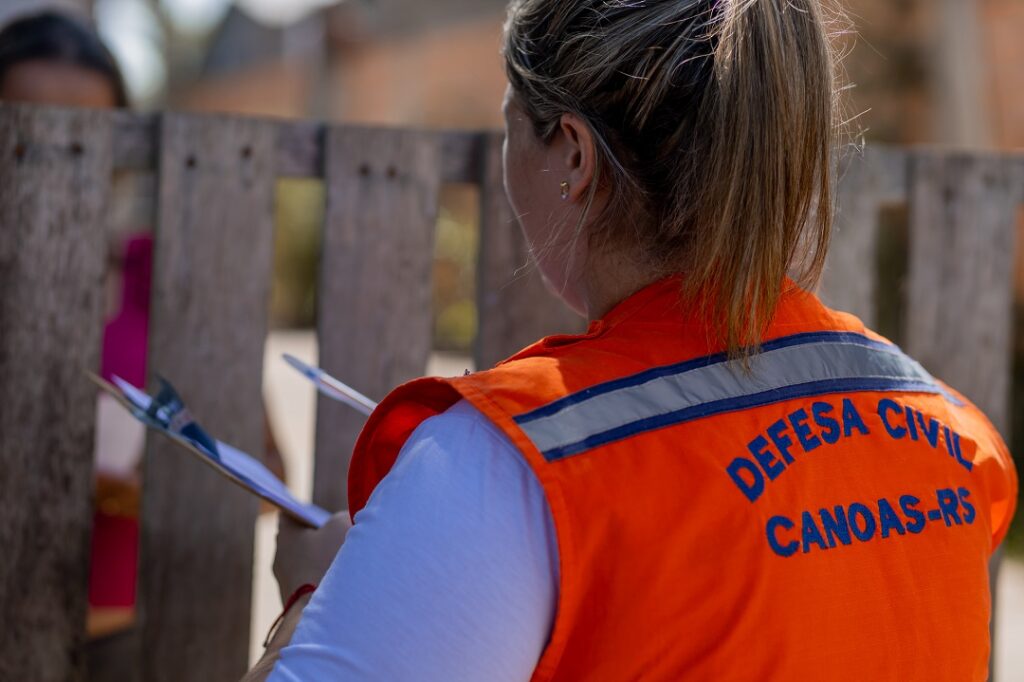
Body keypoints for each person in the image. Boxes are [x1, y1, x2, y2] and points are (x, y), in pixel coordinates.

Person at [248, 0, 1018, 679]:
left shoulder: (500, 467)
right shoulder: (956, 440)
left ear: (574, 156)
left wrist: (314, 603)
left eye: (511, 123)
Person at [0, 10, 287, 637]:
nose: (60, 161)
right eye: (26, 132)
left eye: (88, 138)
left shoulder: (164, 279)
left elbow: (269, 476)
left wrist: (161, 484)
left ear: (126, 150)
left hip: (131, 645)